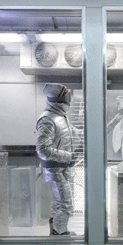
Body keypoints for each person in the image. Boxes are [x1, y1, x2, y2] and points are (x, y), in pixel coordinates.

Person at [36, 83, 82, 236]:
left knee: (58, 204)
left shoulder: (61, 118)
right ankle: (60, 234)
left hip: (63, 169)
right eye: (67, 98)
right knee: (65, 205)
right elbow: (42, 149)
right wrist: (68, 156)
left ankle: (56, 231)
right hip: (54, 169)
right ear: (58, 100)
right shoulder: (47, 120)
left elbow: (78, 133)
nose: (69, 102)